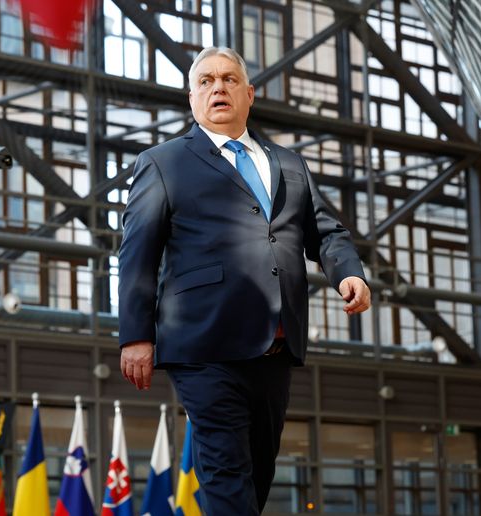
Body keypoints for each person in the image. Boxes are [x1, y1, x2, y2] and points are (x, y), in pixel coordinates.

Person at [118, 46, 371, 514]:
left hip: (275, 347)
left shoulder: (289, 164)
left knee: (256, 475)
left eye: (230, 80)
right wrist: (135, 335)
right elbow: (137, 252)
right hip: (203, 346)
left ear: (249, 94)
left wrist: (348, 274)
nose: (218, 87)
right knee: (227, 473)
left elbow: (325, 230)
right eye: (207, 81)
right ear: (191, 97)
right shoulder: (162, 162)